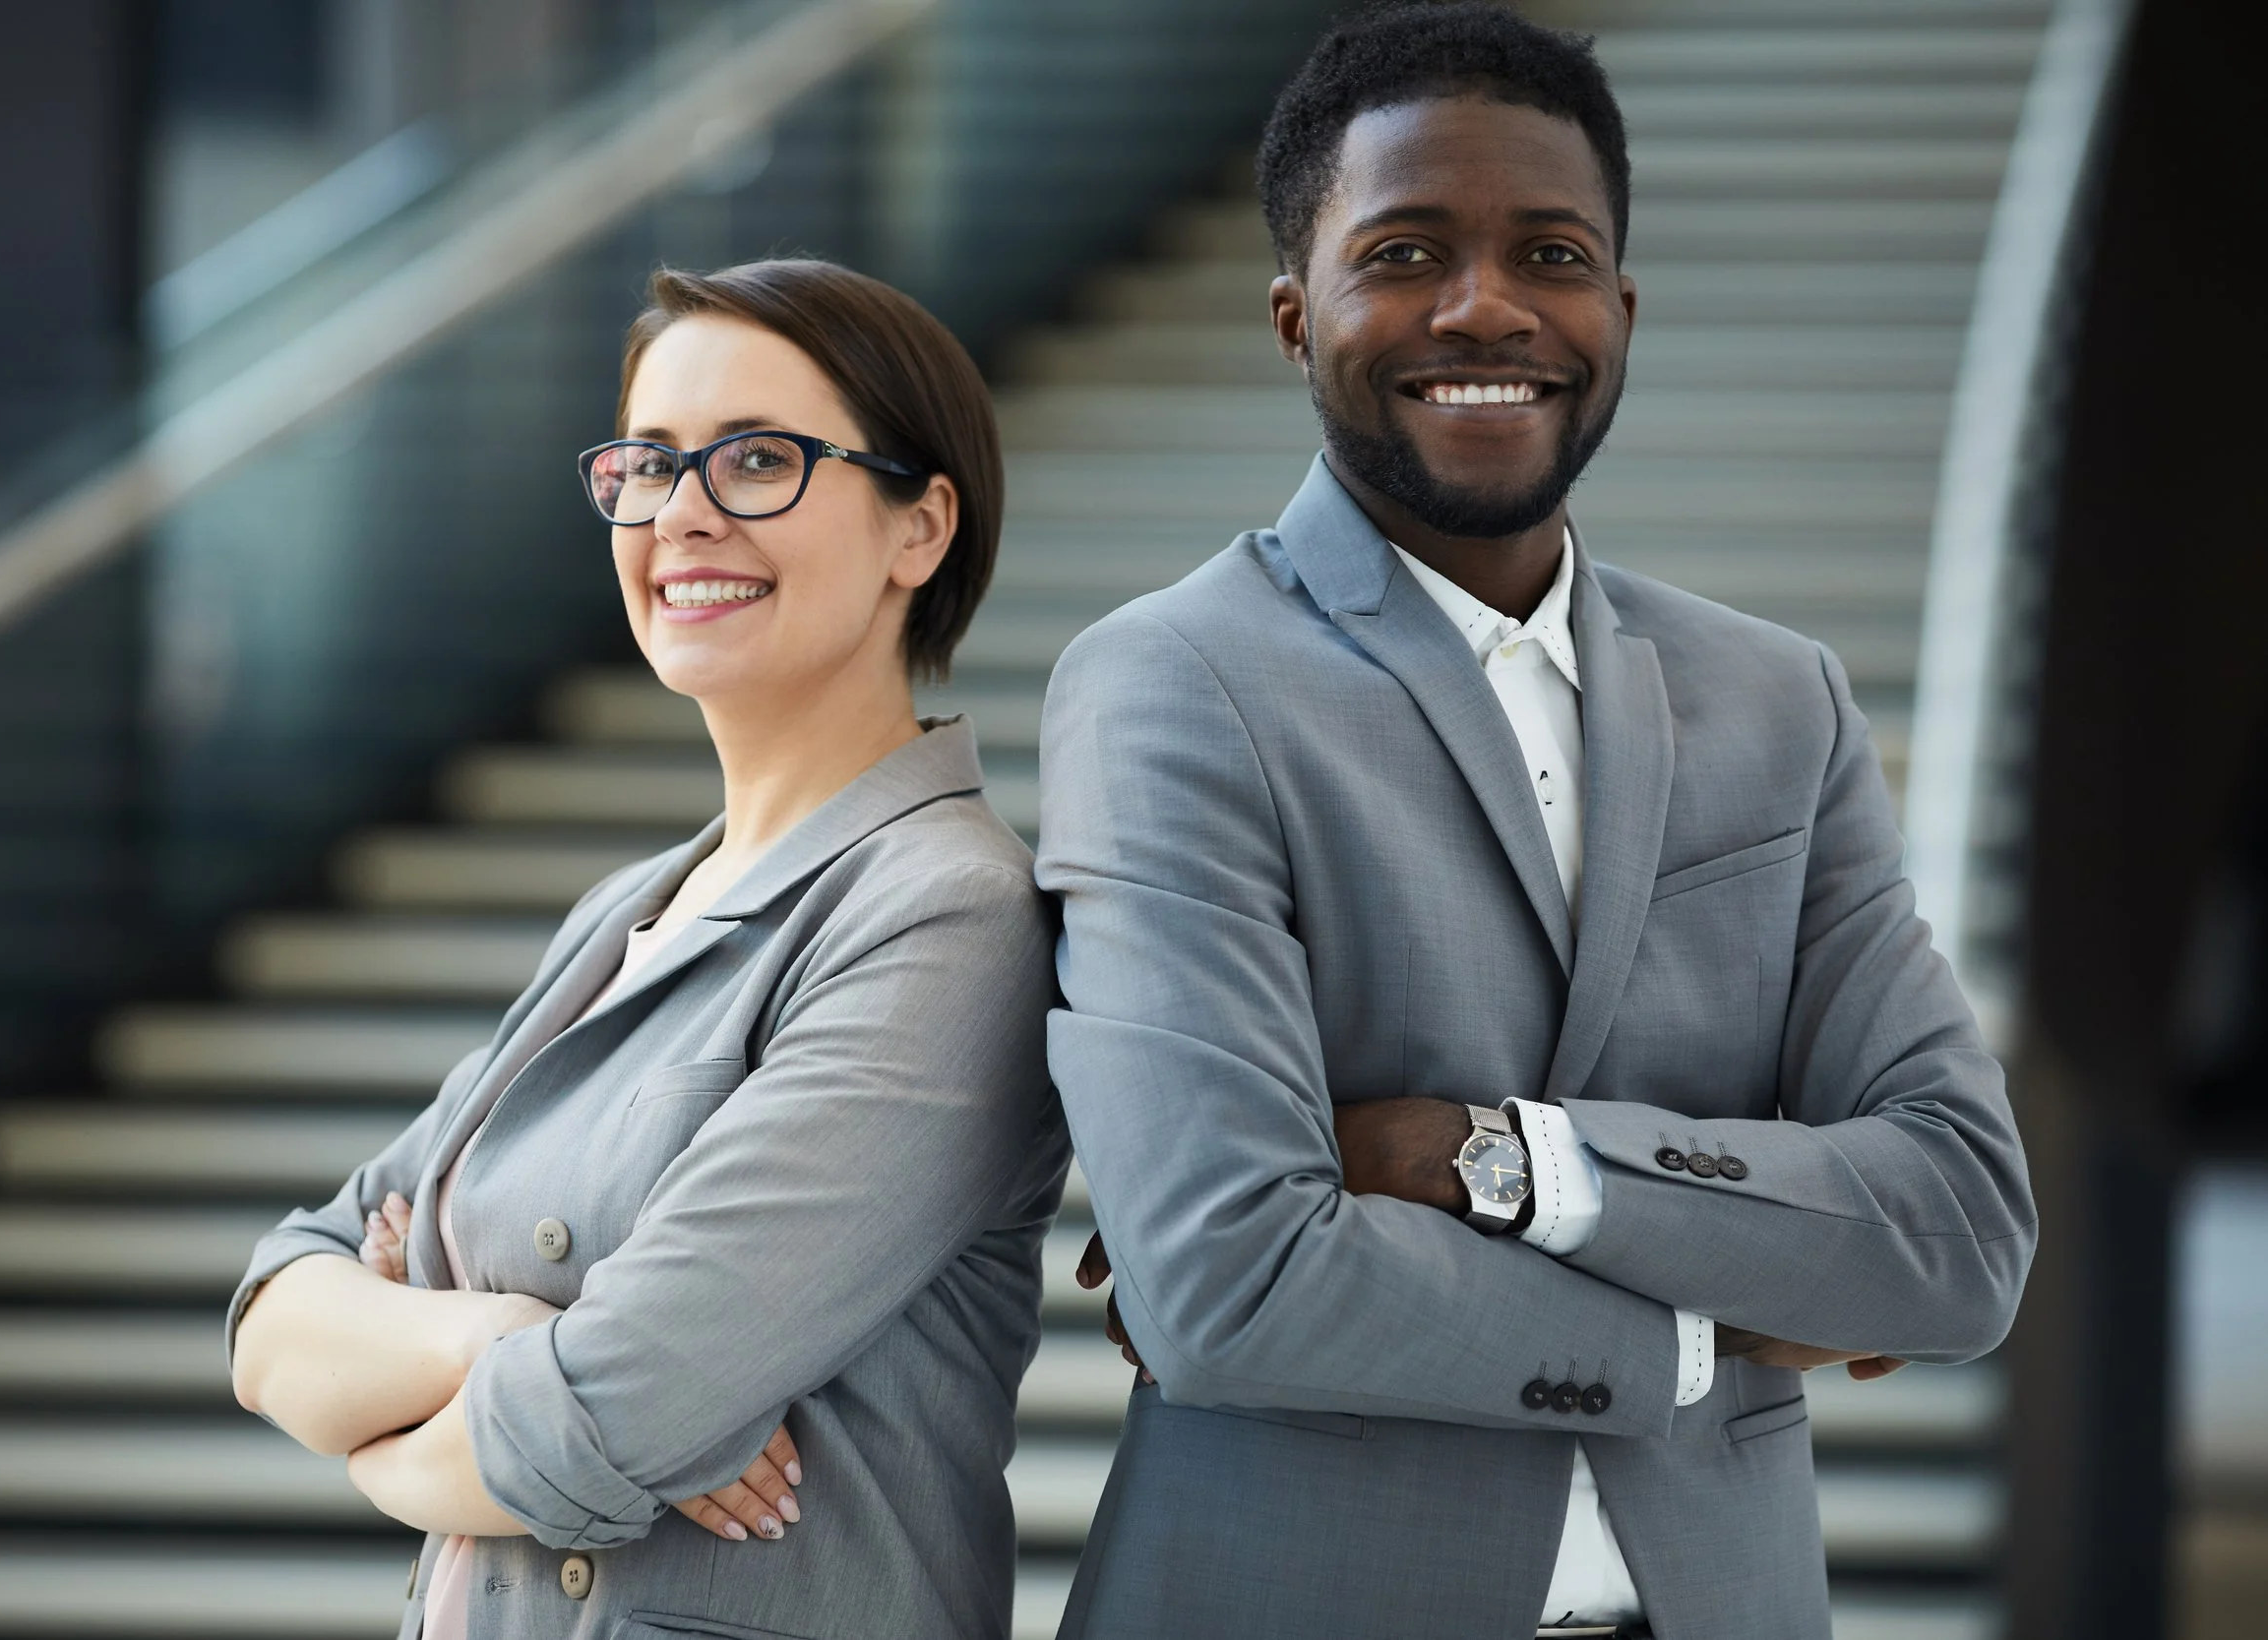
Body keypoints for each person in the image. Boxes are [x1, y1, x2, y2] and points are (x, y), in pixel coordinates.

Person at [1037, 7, 2036, 1638]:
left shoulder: (1781, 701)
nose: (1485, 305)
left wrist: (1494, 1162)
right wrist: (1716, 1316)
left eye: (1550, 253)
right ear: (1298, 316)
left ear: (1620, 310)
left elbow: (1960, 1229)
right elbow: (1228, 1282)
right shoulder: (1169, 682)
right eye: (1406, 250)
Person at [228, 258, 1067, 1640]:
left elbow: (619, 1407)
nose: (682, 515)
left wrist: (395, 1430)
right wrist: (495, 1338)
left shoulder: (947, 911)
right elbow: (273, 1309)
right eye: (648, 465)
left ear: (919, 527)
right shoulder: (626, 910)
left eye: (757, 461)